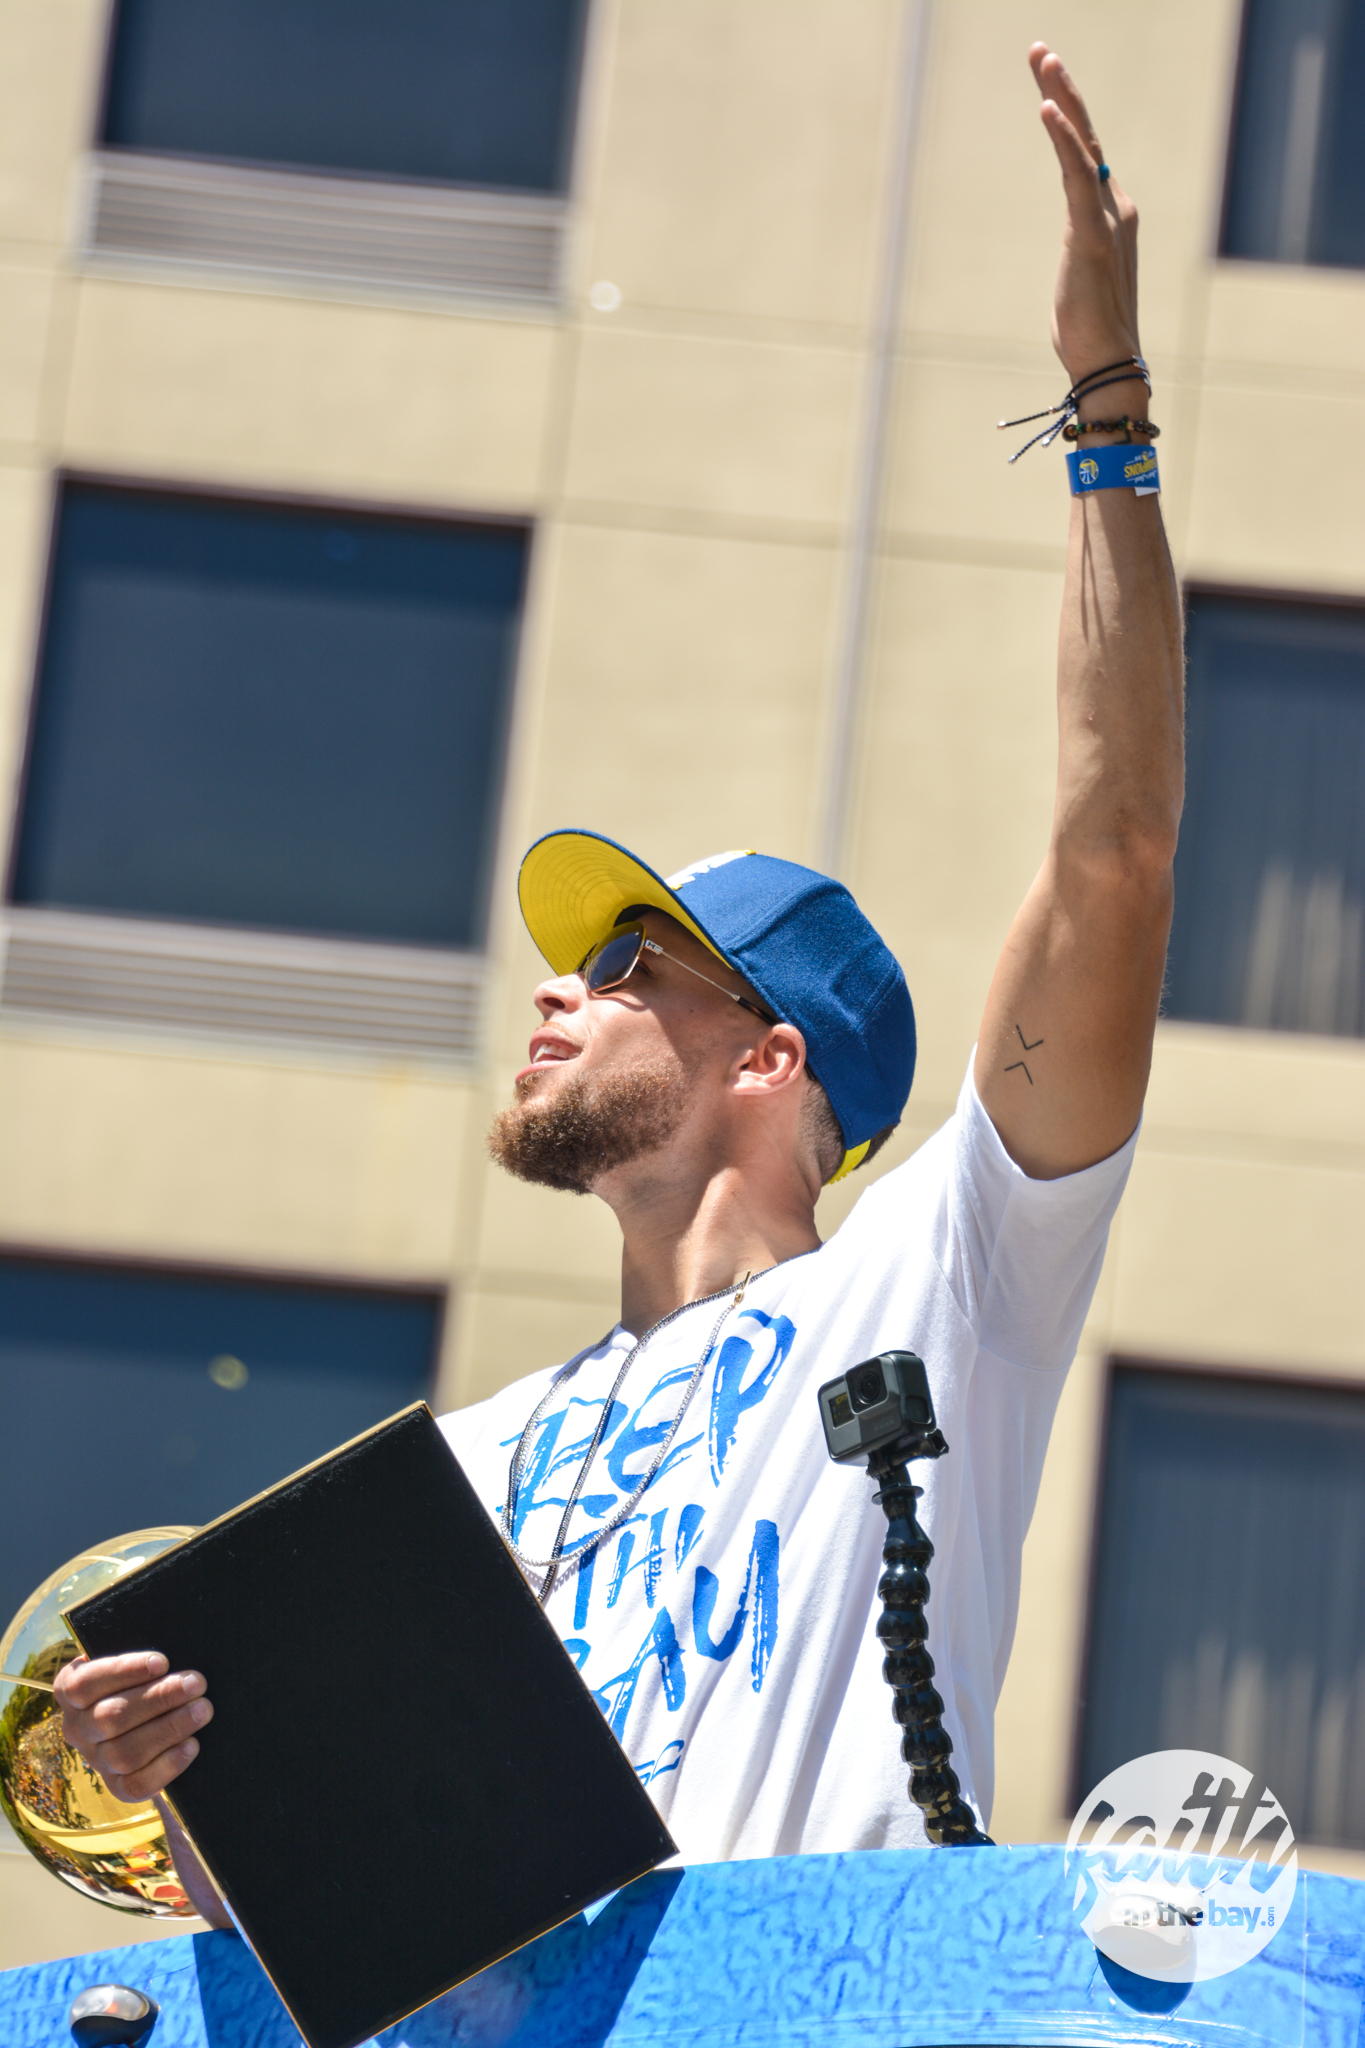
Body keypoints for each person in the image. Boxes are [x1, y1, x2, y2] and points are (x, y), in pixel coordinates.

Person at [56, 46, 1182, 1922]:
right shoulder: (472, 1464)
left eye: (626, 964)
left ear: (772, 1053)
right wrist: (178, 1790)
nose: (558, 995)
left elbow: (1113, 849)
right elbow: (369, 1907)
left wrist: (1104, 407)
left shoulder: (943, 1281)